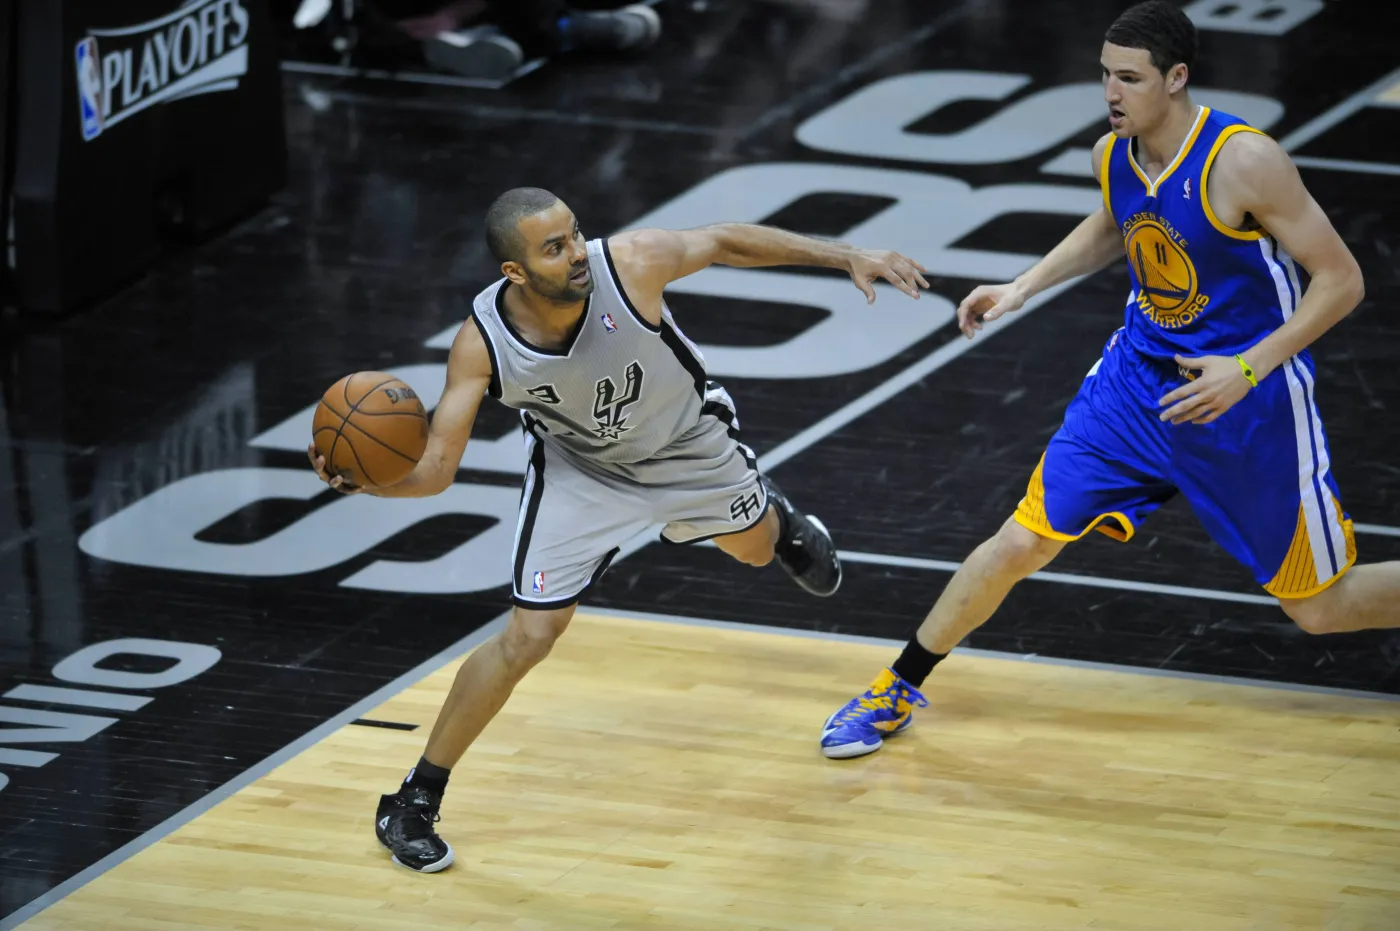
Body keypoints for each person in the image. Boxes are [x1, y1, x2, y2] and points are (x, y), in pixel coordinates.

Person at [819, 0, 1400, 761]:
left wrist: (1247, 366)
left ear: (1177, 78)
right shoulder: (1114, 153)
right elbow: (1112, 224)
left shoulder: (1243, 161)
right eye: (1105, 76)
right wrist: (1024, 286)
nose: (1111, 93)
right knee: (1019, 542)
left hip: (1242, 400)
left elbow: (1342, 280)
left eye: (1129, 78)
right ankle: (897, 685)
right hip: (1136, 384)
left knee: (1321, 609)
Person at [309, 186, 929, 870]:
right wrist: (365, 477)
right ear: (514, 272)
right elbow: (434, 468)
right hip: (584, 470)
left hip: (686, 445)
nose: (576, 253)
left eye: (574, 234)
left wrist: (847, 256)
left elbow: (724, 240)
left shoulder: (632, 264)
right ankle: (414, 798)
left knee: (754, 552)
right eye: (554, 248)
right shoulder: (481, 343)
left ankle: (774, 521)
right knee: (528, 636)